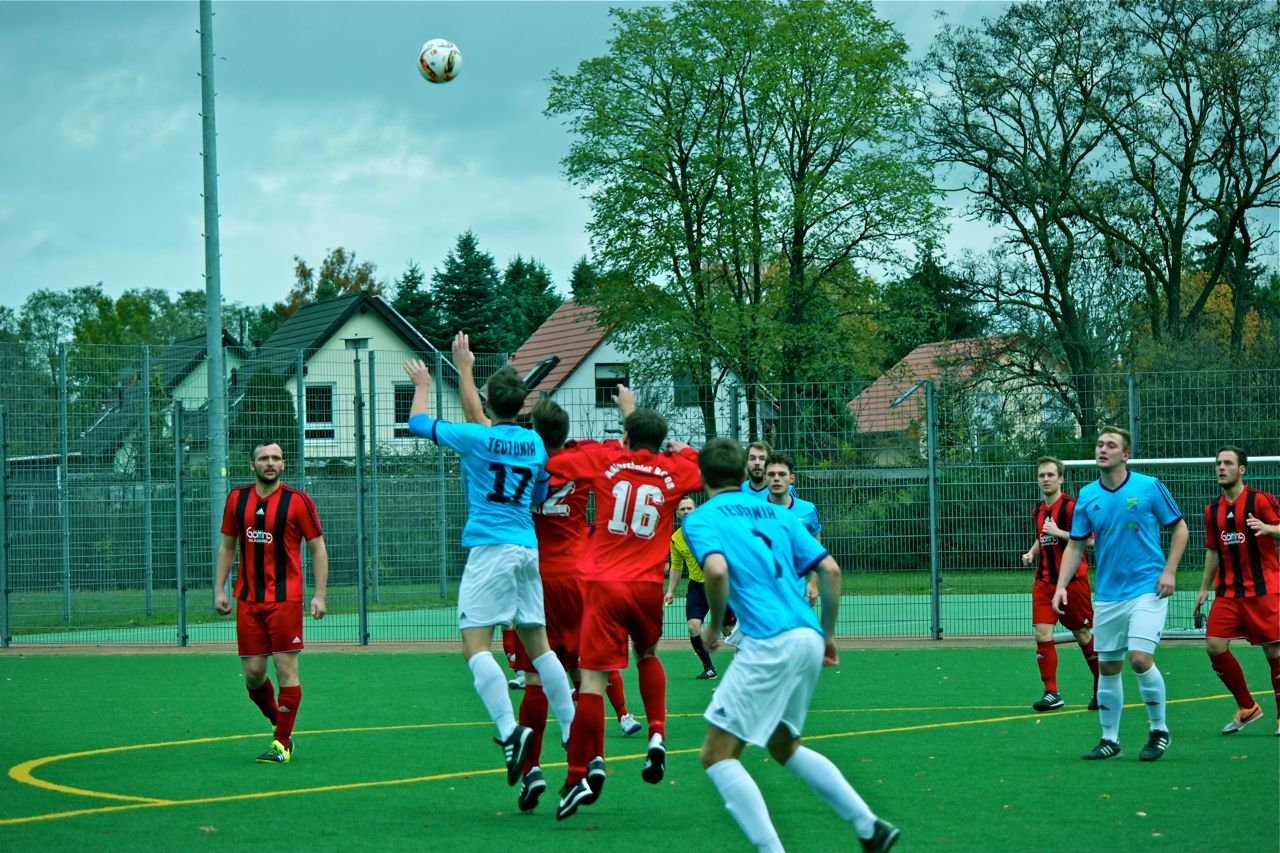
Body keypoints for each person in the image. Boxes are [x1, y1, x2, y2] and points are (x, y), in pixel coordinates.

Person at [450, 333, 641, 814]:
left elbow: (478, 420)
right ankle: (588, 760)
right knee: (586, 675)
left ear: (531, 427)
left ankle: (532, 767)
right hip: (579, 575)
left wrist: (465, 369)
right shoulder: (580, 459)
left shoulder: (518, 450)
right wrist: (628, 410)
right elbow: (628, 452)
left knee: (535, 675)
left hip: (533, 569)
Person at [683, 438, 900, 853]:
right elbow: (831, 570)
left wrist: (713, 626)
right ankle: (869, 825)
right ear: (745, 472)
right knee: (783, 744)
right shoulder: (779, 514)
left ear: (702, 477)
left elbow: (716, 571)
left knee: (716, 755)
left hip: (769, 642)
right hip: (806, 636)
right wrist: (828, 634)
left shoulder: (702, 518)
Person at [402, 353, 576, 790]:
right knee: (541, 649)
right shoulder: (535, 444)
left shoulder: (476, 438)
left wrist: (423, 384)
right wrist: (465, 372)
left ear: (489, 403)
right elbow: (539, 493)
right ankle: (573, 730)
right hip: (527, 548)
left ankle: (509, 731)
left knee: (475, 647)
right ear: (521, 405)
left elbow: (417, 423)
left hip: (491, 549)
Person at [555, 388, 702, 821]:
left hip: (604, 584)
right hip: (647, 585)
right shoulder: (674, 471)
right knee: (648, 654)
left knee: (592, 681)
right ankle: (656, 734)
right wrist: (682, 449)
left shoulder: (608, 460)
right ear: (661, 440)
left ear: (625, 435)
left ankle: (578, 775)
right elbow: (702, 465)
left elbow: (556, 463)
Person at [1053, 426, 1188, 762]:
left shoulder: (1148, 486)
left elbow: (1180, 528)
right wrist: (1061, 585)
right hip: (1109, 594)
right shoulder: (1087, 495)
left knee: (1139, 659)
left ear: (1125, 455)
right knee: (1109, 666)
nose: (1102, 449)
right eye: (1099, 444)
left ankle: (1159, 730)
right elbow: (1076, 544)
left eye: (1111, 445)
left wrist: (1169, 570)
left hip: (1147, 587)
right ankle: (1109, 740)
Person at [214, 440, 328, 764]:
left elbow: (317, 547)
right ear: (252, 465)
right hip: (248, 599)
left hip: (284, 599)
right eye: (264, 458)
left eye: (276, 458)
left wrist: (319, 595)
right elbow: (227, 546)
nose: (270, 463)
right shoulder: (237, 499)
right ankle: (282, 725)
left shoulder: (297, 502)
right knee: (253, 674)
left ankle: (281, 744)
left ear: (283, 465)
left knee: (285, 669)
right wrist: (220, 589)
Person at [1193, 445, 1280, 737]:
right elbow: (1212, 551)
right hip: (1228, 592)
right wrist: (1203, 589)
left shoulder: (1260, 500)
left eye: (1228, 463)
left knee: (1274, 650)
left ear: (1241, 469)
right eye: (1218, 463)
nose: (1221, 467)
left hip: (1264, 588)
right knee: (1214, 646)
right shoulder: (1212, 510)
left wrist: (1268, 529)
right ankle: (1247, 707)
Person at [1019, 456, 1099, 712]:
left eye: (1050, 475)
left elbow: (1089, 540)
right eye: (1041, 475)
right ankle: (1051, 692)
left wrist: (1059, 533)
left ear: (1060, 479)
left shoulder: (1072, 507)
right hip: (1043, 583)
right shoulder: (1038, 510)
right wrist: (1032, 552)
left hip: (1073, 583)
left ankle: (1102, 687)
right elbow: (1042, 536)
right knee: (1042, 634)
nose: (1046, 479)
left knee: (1082, 635)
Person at [666, 495, 735, 680]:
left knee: (728, 631)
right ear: (677, 514)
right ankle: (709, 668)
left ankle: (748, 664)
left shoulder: (711, 529)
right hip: (697, 589)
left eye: (689, 508)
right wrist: (670, 591)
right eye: (682, 509)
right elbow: (676, 567)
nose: (686, 512)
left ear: (695, 510)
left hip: (720, 586)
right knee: (693, 626)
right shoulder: (676, 539)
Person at [764, 453, 822, 605]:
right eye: (771, 474)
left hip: (794, 595)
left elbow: (817, 551)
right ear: (765, 479)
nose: (776, 478)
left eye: (782, 474)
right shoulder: (751, 512)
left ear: (792, 479)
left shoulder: (808, 510)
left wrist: (813, 582)